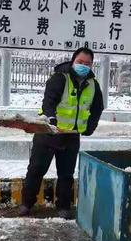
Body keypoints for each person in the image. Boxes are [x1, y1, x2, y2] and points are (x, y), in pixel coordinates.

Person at [20, 48, 104, 219]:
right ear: (73, 61)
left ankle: (64, 207)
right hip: (48, 133)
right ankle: (26, 204)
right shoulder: (60, 78)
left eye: (87, 63)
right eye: (80, 62)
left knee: (66, 174)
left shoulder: (93, 85)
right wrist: (50, 119)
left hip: (71, 136)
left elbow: (97, 108)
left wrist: (90, 126)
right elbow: (48, 101)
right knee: (36, 169)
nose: (83, 66)